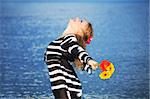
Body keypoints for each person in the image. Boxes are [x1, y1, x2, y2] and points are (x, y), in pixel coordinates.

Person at [44, 17, 99, 99]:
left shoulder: (69, 38)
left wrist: (89, 60)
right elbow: (73, 54)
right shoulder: (61, 41)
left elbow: (77, 50)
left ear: (79, 32)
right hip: (65, 88)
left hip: (66, 88)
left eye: (80, 21)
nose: (77, 18)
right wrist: (87, 65)